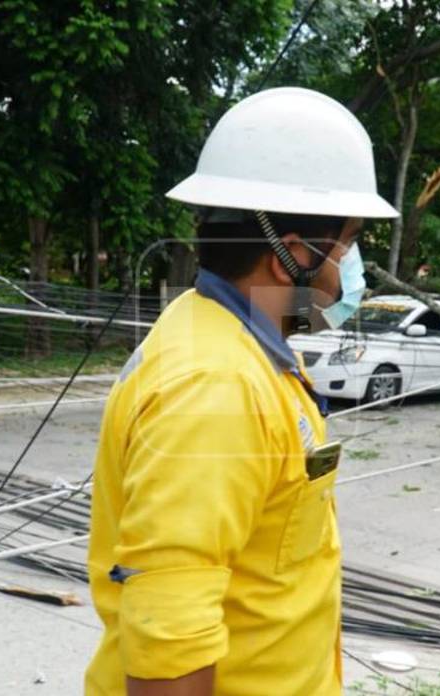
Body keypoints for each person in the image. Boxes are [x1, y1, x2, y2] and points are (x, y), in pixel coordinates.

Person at [83, 87, 398, 696]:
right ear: (293, 255)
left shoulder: (223, 338)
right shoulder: (216, 386)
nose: (350, 266)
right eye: (351, 241)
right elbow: (169, 641)